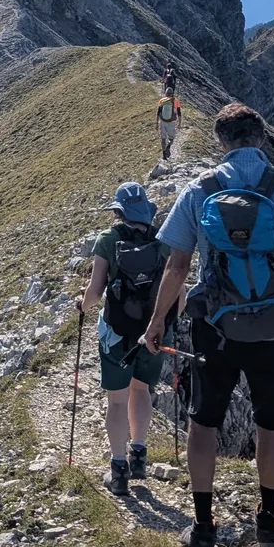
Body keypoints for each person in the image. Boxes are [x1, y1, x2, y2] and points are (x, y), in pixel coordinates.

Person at [142, 102, 274, 547]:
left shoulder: (199, 190)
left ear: (221, 141)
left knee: (203, 423)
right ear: (262, 138)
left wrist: (157, 321)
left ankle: (203, 527)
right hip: (272, 328)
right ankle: (268, 522)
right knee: (272, 424)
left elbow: (179, 264)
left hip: (215, 328)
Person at [80, 181, 169, 497]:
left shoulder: (108, 240)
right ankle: (139, 455)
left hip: (118, 332)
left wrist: (82, 305)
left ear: (119, 211)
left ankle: (118, 471)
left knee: (116, 400)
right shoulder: (163, 240)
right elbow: (178, 292)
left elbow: (95, 291)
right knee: (142, 388)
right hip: (154, 333)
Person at [156, 92, 182, 160]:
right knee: (172, 137)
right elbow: (179, 112)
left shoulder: (162, 100)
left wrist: (156, 123)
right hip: (172, 122)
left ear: (166, 94)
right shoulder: (176, 100)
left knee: (163, 138)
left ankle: (164, 154)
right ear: (171, 94)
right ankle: (169, 145)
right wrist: (179, 123)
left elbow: (158, 112)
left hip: (163, 122)